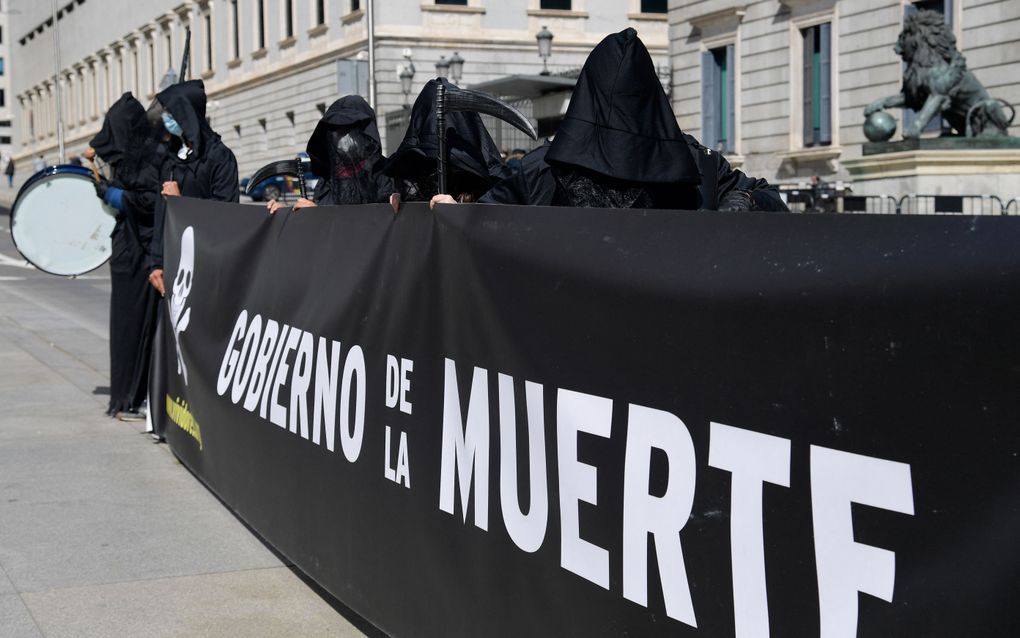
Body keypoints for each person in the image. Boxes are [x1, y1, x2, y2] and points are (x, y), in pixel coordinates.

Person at [433, 29, 787, 213]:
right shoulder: (541, 171)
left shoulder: (696, 165)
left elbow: (769, 197)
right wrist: (448, 215)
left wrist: (743, 203)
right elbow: (484, 224)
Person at [87, 93, 164, 419]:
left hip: (141, 251)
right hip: (129, 251)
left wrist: (110, 193)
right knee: (127, 327)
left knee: (135, 327)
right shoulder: (137, 154)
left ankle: (132, 393)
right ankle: (125, 393)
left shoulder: (149, 159)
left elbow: (147, 201)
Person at [148, 79, 239, 295]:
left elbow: (226, 213)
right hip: (173, 261)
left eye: (172, 113)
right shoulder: (172, 156)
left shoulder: (219, 157)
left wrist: (182, 204)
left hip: (205, 264)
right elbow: (161, 214)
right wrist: (157, 262)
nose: (166, 118)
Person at [380, 78, 509, 205]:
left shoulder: (494, 182)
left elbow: (503, 220)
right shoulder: (414, 167)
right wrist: (403, 205)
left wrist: (458, 213)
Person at [266, 95, 391, 214]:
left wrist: (320, 214)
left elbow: (375, 226)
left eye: (349, 129)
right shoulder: (327, 179)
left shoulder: (387, 175)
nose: (342, 137)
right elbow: (316, 226)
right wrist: (286, 214)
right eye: (335, 130)